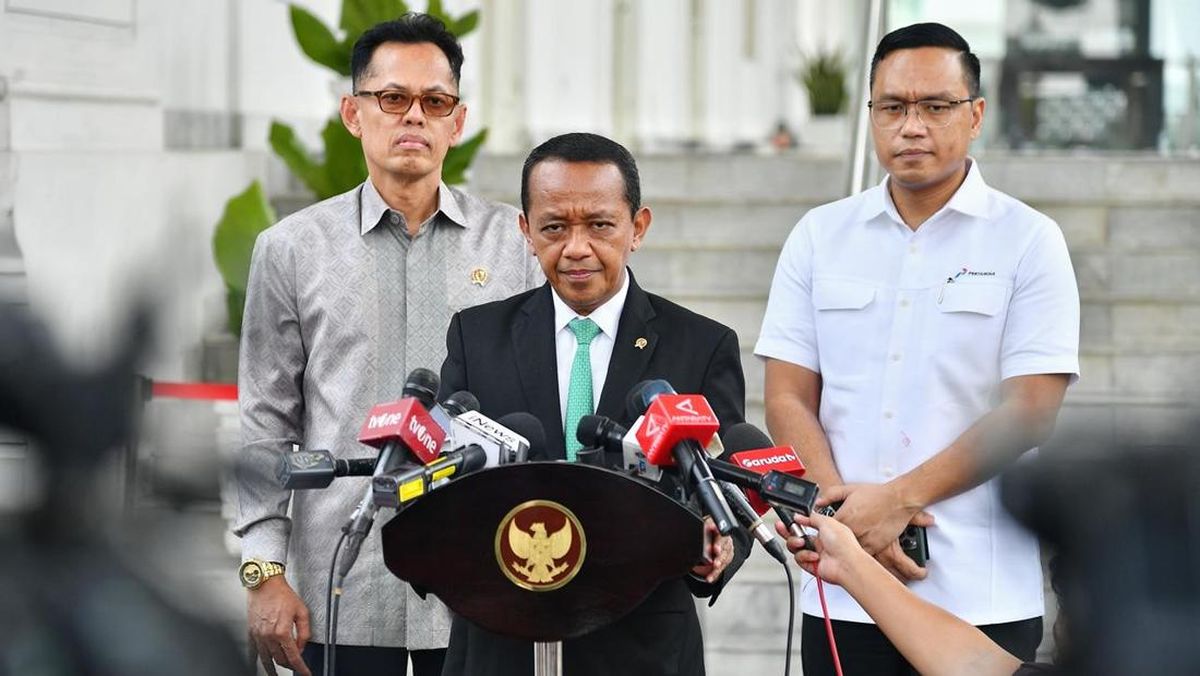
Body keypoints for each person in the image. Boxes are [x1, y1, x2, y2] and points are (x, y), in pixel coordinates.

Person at [755, 22, 1080, 675]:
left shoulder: (1028, 240)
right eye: (892, 107)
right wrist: (844, 516)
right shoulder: (819, 236)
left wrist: (898, 500)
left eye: (935, 106)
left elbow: (1031, 409)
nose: (911, 127)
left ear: (975, 115)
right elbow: (787, 395)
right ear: (871, 115)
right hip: (844, 592)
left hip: (981, 592)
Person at [233, 14, 541, 676]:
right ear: (353, 113)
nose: (415, 117)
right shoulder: (291, 249)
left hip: (480, 582)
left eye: (436, 102)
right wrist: (263, 569)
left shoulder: (514, 247)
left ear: (458, 121)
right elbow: (265, 419)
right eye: (393, 98)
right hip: (341, 585)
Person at [438, 132, 750, 675]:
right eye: (554, 227)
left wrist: (719, 545)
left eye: (600, 225)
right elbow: (446, 480)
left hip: (642, 648)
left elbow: (729, 486)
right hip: (502, 641)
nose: (576, 247)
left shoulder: (701, 345)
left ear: (638, 228)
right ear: (526, 231)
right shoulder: (476, 336)